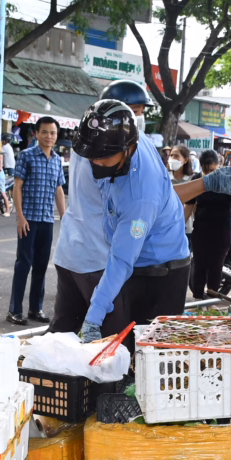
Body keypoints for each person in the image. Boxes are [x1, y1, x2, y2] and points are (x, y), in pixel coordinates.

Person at [72, 99, 190, 346]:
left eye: (104, 158)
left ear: (129, 149)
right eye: (92, 156)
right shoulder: (124, 138)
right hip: (139, 264)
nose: (96, 162)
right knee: (130, 348)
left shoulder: (140, 197)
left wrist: (93, 317)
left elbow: (122, 259)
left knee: (153, 353)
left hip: (162, 273)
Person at [6, 117, 65, 325]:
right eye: (45, 132)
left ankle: (35, 309)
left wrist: (64, 217)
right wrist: (19, 217)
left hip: (47, 221)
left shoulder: (58, 160)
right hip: (28, 220)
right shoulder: (26, 156)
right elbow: (17, 186)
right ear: (36, 134)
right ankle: (14, 310)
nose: (49, 136)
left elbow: (59, 190)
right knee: (23, 264)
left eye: (53, 133)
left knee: (41, 266)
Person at [185, 150, 231, 299]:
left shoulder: (227, 180)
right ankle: (197, 298)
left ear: (218, 166)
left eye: (212, 170)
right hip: (201, 229)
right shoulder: (197, 179)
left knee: (215, 265)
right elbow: (189, 205)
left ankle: (211, 299)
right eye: (206, 171)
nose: (209, 174)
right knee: (199, 265)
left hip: (222, 229)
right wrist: (179, 227)